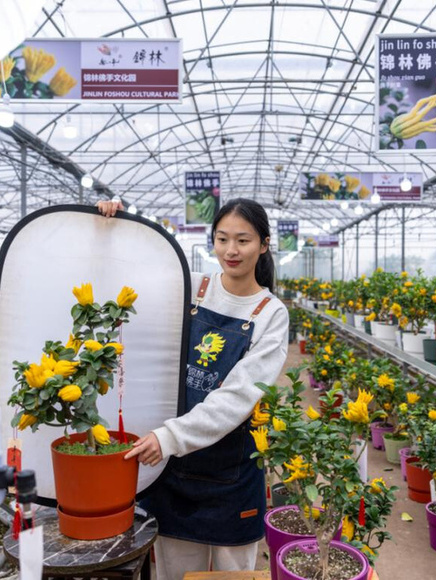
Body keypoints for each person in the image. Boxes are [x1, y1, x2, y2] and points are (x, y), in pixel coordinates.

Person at [96, 197, 289, 580]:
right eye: (222, 239)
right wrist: (116, 228)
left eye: (243, 240)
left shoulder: (270, 313)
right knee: (174, 572)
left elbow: (238, 396)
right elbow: (126, 286)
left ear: (264, 244)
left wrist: (170, 436)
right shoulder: (191, 288)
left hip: (230, 471)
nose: (231, 251)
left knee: (234, 574)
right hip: (172, 469)